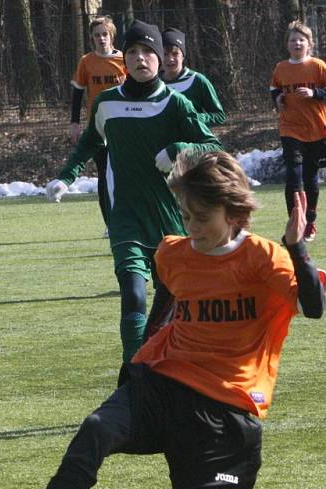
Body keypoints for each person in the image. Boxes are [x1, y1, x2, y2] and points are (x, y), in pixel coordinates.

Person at [0, 149, 326, 489]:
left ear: (234, 212)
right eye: (184, 215)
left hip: (223, 404)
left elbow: (313, 306)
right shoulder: (173, 254)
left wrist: (296, 247)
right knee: (96, 429)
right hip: (161, 381)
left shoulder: (264, 259)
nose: (191, 227)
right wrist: (135, 366)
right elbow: (166, 308)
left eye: (201, 216)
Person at [46, 20, 223, 366]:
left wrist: (178, 149)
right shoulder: (108, 103)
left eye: (147, 52)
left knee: (168, 301)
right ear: (123, 59)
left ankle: (160, 368)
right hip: (124, 216)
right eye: (132, 52)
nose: (140, 58)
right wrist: (65, 177)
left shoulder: (176, 104)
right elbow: (90, 142)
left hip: (169, 218)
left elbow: (212, 146)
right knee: (133, 295)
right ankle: (131, 371)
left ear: (159, 58)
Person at [269, 20, 326, 242]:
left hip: (315, 130)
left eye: (301, 39)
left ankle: (309, 221)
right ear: (287, 44)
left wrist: (314, 93)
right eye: (292, 40)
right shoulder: (281, 67)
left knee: (310, 179)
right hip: (289, 129)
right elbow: (274, 88)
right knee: (293, 177)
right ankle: (294, 222)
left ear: (309, 44)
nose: (297, 43)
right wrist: (278, 98)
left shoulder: (317, 66)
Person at [69, 15, 126, 233]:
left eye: (104, 34)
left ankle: (125, 219)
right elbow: (77, 93)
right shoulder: (86, 62)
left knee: (122, 174)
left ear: (111, 35)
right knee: (103, 175)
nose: (101, 39)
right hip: (98, 128)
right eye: (96, 35)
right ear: (92, 38)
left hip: (122, 127)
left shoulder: (124, 61)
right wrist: (74, 123)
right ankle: (110, 224)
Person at [160, 27, 226, 128]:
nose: (170, 59)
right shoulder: (154, 83)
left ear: (183, 56)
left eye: (175, 54)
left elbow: (219, 116)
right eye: (165, 54)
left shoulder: (198, 80)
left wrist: (194, 119)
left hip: (193, 142)